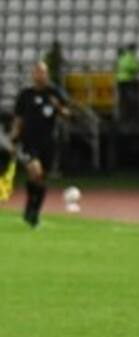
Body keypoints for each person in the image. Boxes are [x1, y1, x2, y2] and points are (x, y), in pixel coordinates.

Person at [9, 61, 71, 227]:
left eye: (43, 72)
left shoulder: (54, 92)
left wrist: (57, 107)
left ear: (47, 74)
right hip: (29, 141)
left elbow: (67, 113)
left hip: (48, 142)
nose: (39, 75)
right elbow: (18, 118)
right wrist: (14, 138)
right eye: (37, 72)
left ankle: (34, 211)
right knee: (35, 171)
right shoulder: (25, 95)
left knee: (41, 179)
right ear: (33, 74)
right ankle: (31, 207)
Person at [115, 44, 139, 122]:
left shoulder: (121, 57)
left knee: (122, 100)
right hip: (128, 80)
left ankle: (123, 117)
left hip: (120, 80)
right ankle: (132, 117)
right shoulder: (130, 57)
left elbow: (118, 68)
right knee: (131, 100)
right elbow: (133, 68)